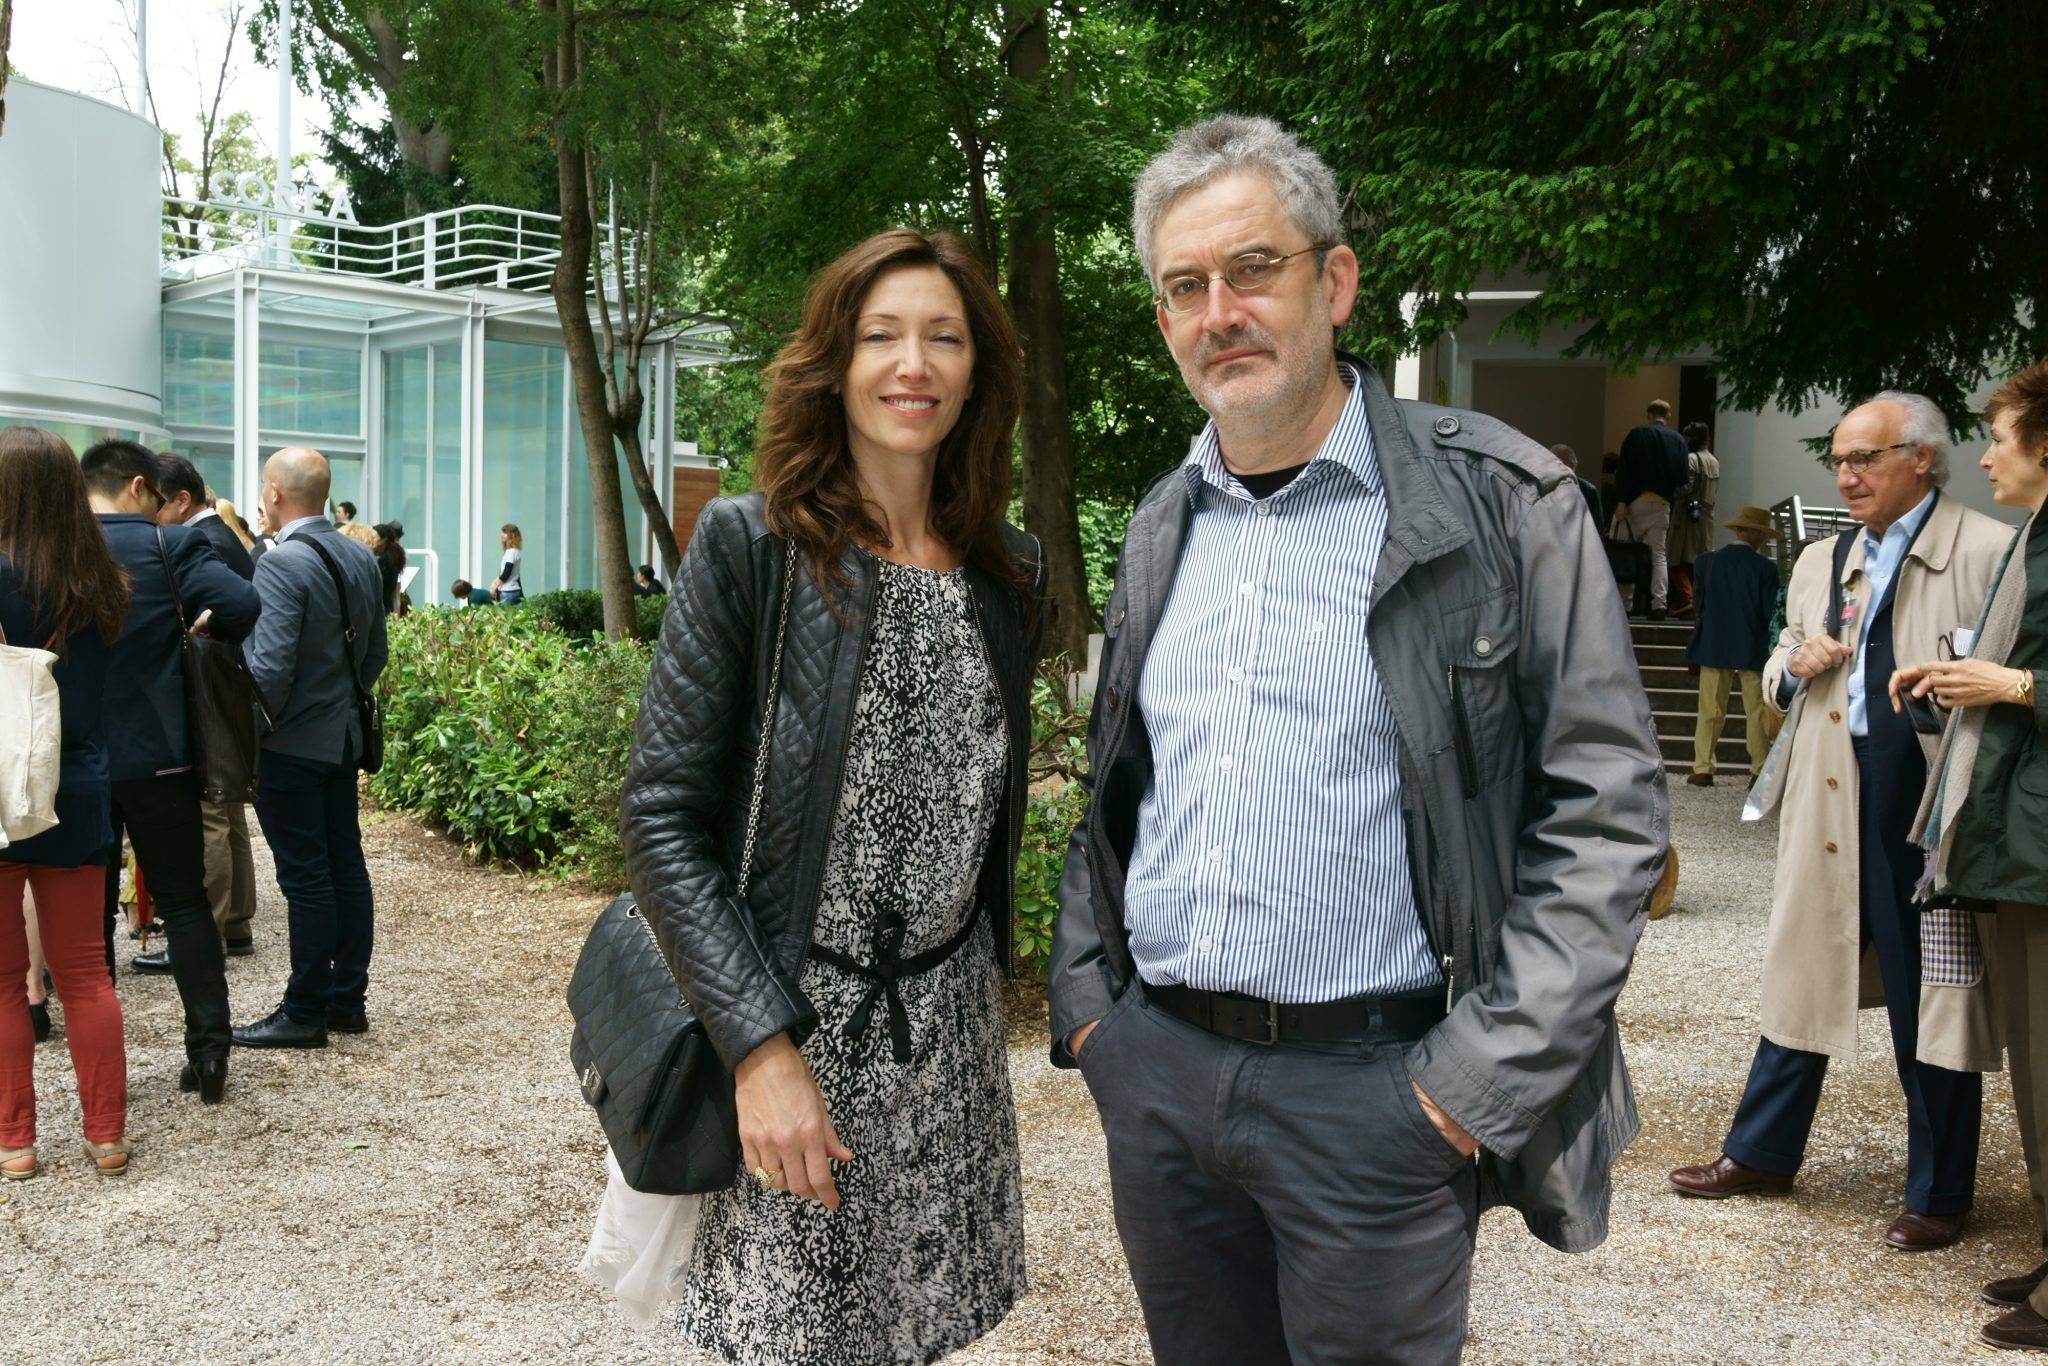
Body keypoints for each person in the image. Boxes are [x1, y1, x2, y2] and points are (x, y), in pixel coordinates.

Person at [1049, 116, 1666, 1364]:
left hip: (1378, 1097)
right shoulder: (1164, 524)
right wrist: (1089, 1015)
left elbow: (1604, 815)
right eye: (1185, 286)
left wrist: (1464, 1090)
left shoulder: (1500, 502)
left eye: (1252, 269)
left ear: (1331, 281)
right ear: (1164, 318)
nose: (1220, 310)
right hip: (1159, 1077)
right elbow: (1122, 783)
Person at [616, 228, 1041, 1361]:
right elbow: (659, 817)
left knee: (919, 1334)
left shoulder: (1009, 572)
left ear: (976, 369)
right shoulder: (755, 547)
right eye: (882, 335)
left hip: (946, 1040)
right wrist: (759, 1049)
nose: (914, 364)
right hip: (795, 1034)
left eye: (944, 337)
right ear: (835, 364)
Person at [1668, 393, 2010, 1251]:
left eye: (1866, 459)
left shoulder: (1989, 550)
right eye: (1840, 462)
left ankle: (1939, 1191)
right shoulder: (1821, 558)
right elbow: (1782, 669)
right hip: (1829, 792)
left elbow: (2007, 675)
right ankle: (1763, 1152)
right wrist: (1795, 664)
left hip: (1928, 806)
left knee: (1933, 996)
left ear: (1923, 458)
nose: (1847, 476)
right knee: (1804, 972)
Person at [1890, 360, 2048, 1348]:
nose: (1982, 453)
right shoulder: (2034, 535)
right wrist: (1961, 674)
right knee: (2031, 1062)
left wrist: (2014, 685)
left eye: (1998, 436)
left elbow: (2026, 673)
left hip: (2036, 838)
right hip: (2020, 837)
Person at [82, 439, 259, 1106]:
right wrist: (192, 633)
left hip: (80, 760)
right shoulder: (170, 548)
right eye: (156, 494)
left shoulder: (55, 549)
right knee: (184, 903)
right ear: (136, 486)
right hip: (162, 753)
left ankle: (100, 1071)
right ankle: (210, 1053)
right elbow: (243, 607)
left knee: (88, 919)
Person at [0, 427, 134, 1178]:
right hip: (78, 786)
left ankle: (15, 1141)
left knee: (0, 978)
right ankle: (105, 1135)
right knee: (85, 973)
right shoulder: (99, 581)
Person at [233, 448, 388, 1052]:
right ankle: (347, 999)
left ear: (274, 494)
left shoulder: (279, 565)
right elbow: (374, 655)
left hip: (291, 741)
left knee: (306, 877)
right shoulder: (358, 554)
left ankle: (303, 1010)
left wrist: (249, 730)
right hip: (342, 736)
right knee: (345, 866)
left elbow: (268, 670)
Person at [143, 453, 259, 963]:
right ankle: (234, 922)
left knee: (212, 810)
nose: (149, 518)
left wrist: (201, 628)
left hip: (207, 684)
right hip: (226, 683)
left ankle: (209, 929)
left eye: (154, 503)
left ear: (181, 500)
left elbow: (237, 606)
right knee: (227, 806)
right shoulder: (223, 533)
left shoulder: (197, 541)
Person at [1684, 506, 1781, 785]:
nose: (1763, 539)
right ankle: (1758, 769)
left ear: (1737, 531)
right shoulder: (1766, 569)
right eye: (1761, 534)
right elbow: (1768, 612)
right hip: (1752, 645)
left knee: (1710, 710)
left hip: (1713, 643)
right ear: (1754, 534)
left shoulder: (1706, 562)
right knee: (1756, 711)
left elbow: (1698, 604)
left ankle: (1702, 767)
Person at [1611, 399, 1688, 619]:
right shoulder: (1678, 440)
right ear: (1668, 416)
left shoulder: (1636, 435)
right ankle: (1659, 604)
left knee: (1628, 552)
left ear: (1648, 415)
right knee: (1659, 554)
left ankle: (1625, 605)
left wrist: (1621, 501)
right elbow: (1683, 477)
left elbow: (1625, 469)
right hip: (1663, 503)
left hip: (1635, 501)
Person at [1668, 421, 1723, 617]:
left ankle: (1688, 597)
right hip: (1705, 517)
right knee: (1697, 560)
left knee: (1674, 557)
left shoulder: (1691, 458)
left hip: (1686, 517)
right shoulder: (1713, 460)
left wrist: (1670, 490)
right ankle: (1688, 602)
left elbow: (1686, 488)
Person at [1550, 442, 1603, 528]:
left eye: (1562, 464)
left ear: (1573, 466)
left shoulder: (1588, 490)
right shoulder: (1542, 489)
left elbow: (1597, 525)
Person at [372, 521, 408, 615]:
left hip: (381, 607)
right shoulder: (394, 556)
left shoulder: (384, 560)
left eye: (374, 537)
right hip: (387, 605)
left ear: (383, 539)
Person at [491, 524, 524, 604]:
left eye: (505, 532)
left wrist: (494, 588)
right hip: (511, 591)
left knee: (504, 616)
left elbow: (506, 573)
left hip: (508, 592)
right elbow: (512, 574)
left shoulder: (512, 552)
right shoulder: (513, 551)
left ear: (512, 535)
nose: (501, 535)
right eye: (502, 532)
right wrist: (494, 583)